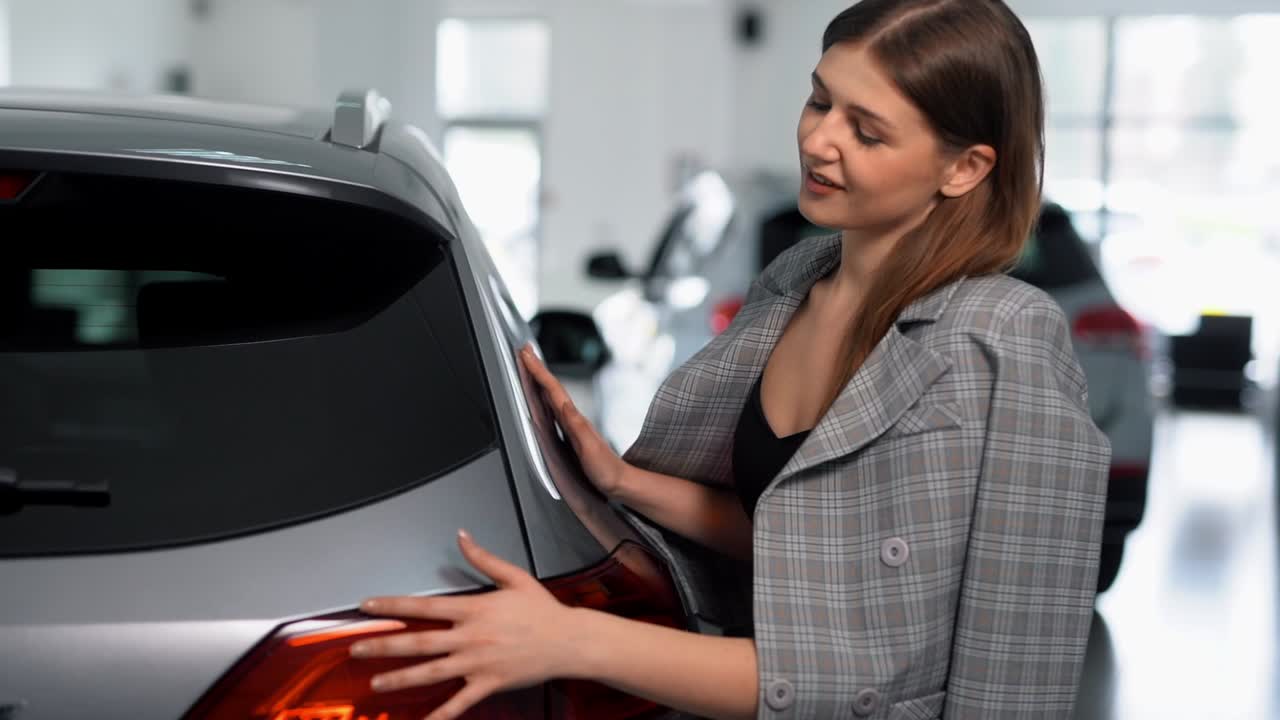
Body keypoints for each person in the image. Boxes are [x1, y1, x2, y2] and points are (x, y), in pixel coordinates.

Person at [350, 0, 1111, 718]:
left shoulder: (1002, 339)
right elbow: (803, 550)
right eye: (820, 102)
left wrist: (569, 639)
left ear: (966, 168)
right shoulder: (794, 284)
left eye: (867, 132)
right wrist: (625, 482)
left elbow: (881, 666)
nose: (818, 141)